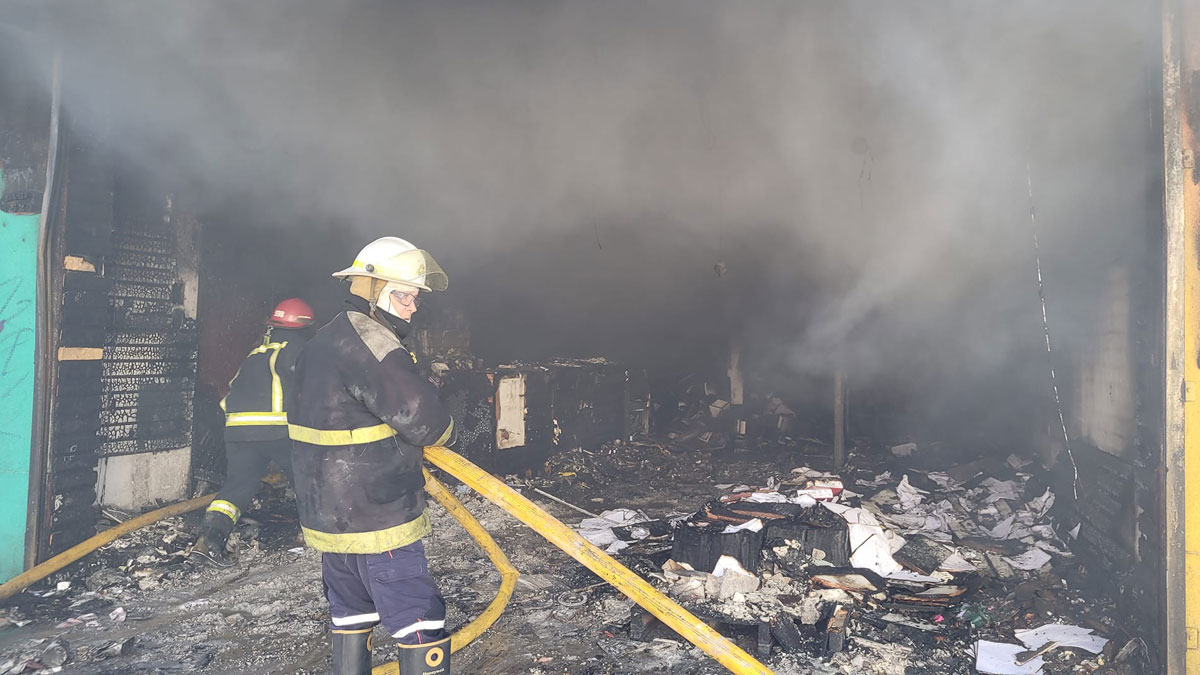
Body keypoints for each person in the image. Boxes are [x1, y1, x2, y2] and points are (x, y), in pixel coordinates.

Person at [289, 237, 457, 675]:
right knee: (418, 618)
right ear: (373, 290)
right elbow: (425, 422)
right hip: (378, 516)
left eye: (415, 298)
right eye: (403, 296)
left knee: (351, 614)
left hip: (330, 518)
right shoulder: (373, 343)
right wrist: (448, 425)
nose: (412, 308)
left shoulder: (322, 341)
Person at [191, 298, 316, 567]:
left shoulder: (255, 355)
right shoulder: (298, 350)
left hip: (238, 432)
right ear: (306, 328)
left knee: (237, 487)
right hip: (279, 430)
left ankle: (208, 542)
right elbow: (314, 389)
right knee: (307, 480)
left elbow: (230, 392)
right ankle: (316, 538)